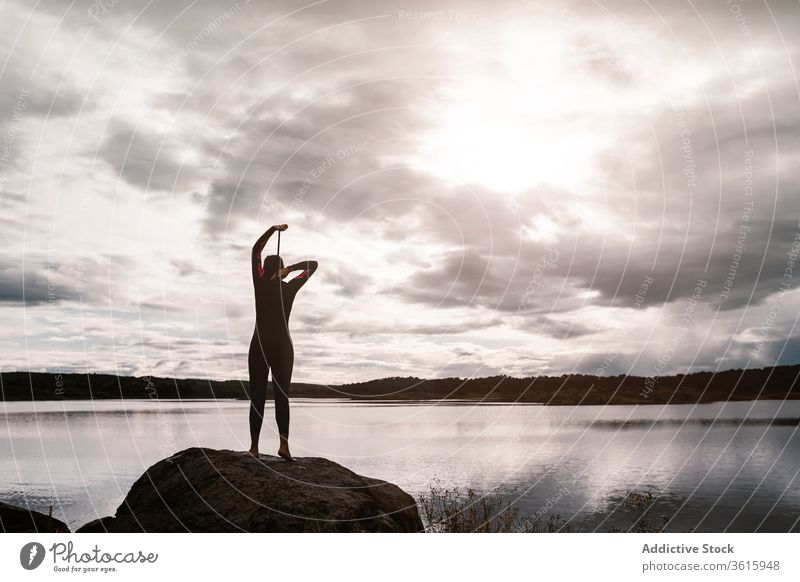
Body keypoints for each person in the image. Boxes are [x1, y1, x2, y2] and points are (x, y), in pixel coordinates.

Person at [247, 223, 318, 461]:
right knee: (281, 396)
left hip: (260, 345)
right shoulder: (291, 287)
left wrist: (272, 229)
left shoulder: (260, 283)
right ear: (280, 269)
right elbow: (312, 266)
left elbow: (256, 250)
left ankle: (254, 448)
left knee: (257, 395)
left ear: (264, 269)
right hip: (282, 347)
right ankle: (283, 446)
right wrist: (289, 269)